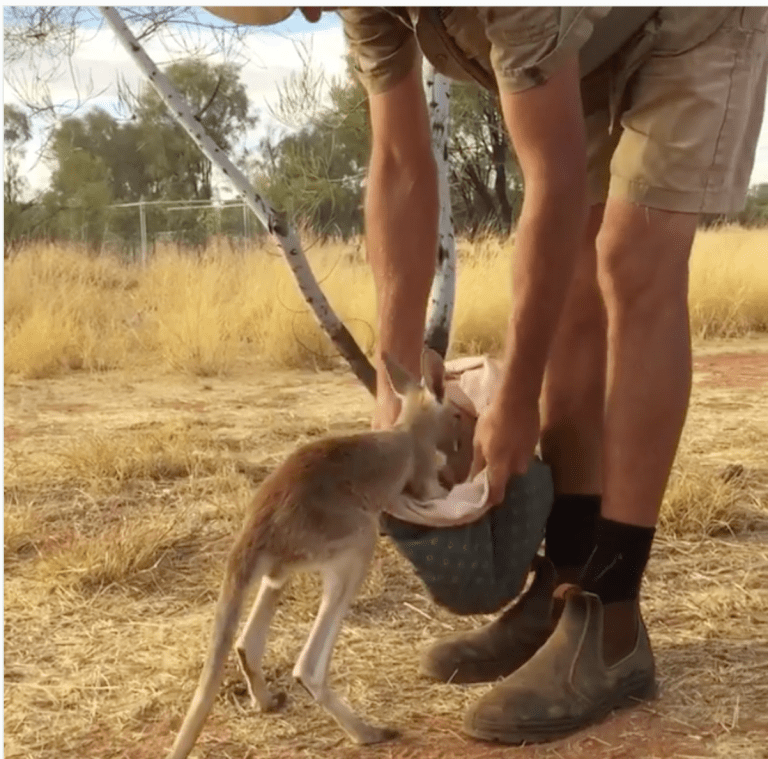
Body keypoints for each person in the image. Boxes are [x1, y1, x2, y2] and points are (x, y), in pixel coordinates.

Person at [207, 6, 768, 743]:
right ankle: (566, 576)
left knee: (632, 259)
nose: (312, 10)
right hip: (594, 33)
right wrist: (396, 383)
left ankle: (612, 617)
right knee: (568, 283)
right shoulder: (363, 8)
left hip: (695, 22)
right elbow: (401, 166)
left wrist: (517, 401)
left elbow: (554, 179)